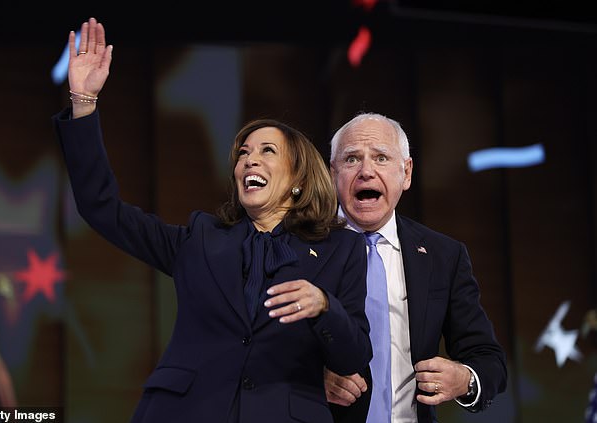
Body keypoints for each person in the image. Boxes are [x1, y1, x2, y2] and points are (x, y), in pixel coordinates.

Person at [52, 18, 372, 423]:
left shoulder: (340, 249)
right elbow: (102, 208)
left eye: (267, 151)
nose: (249, 159)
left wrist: (324, 306)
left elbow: (356, 354)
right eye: (243, 152)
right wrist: (83, 102)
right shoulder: (200, 239)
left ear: (299, 179)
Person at [324, 112, 507, 423]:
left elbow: (488, 360)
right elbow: (257, 351)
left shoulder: (443, 255)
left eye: (381, 157)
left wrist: (464, 379)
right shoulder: (299, 247)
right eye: (352, 159)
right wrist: (310, 378)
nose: (366, 171)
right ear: (332, 174)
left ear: (406, 173)